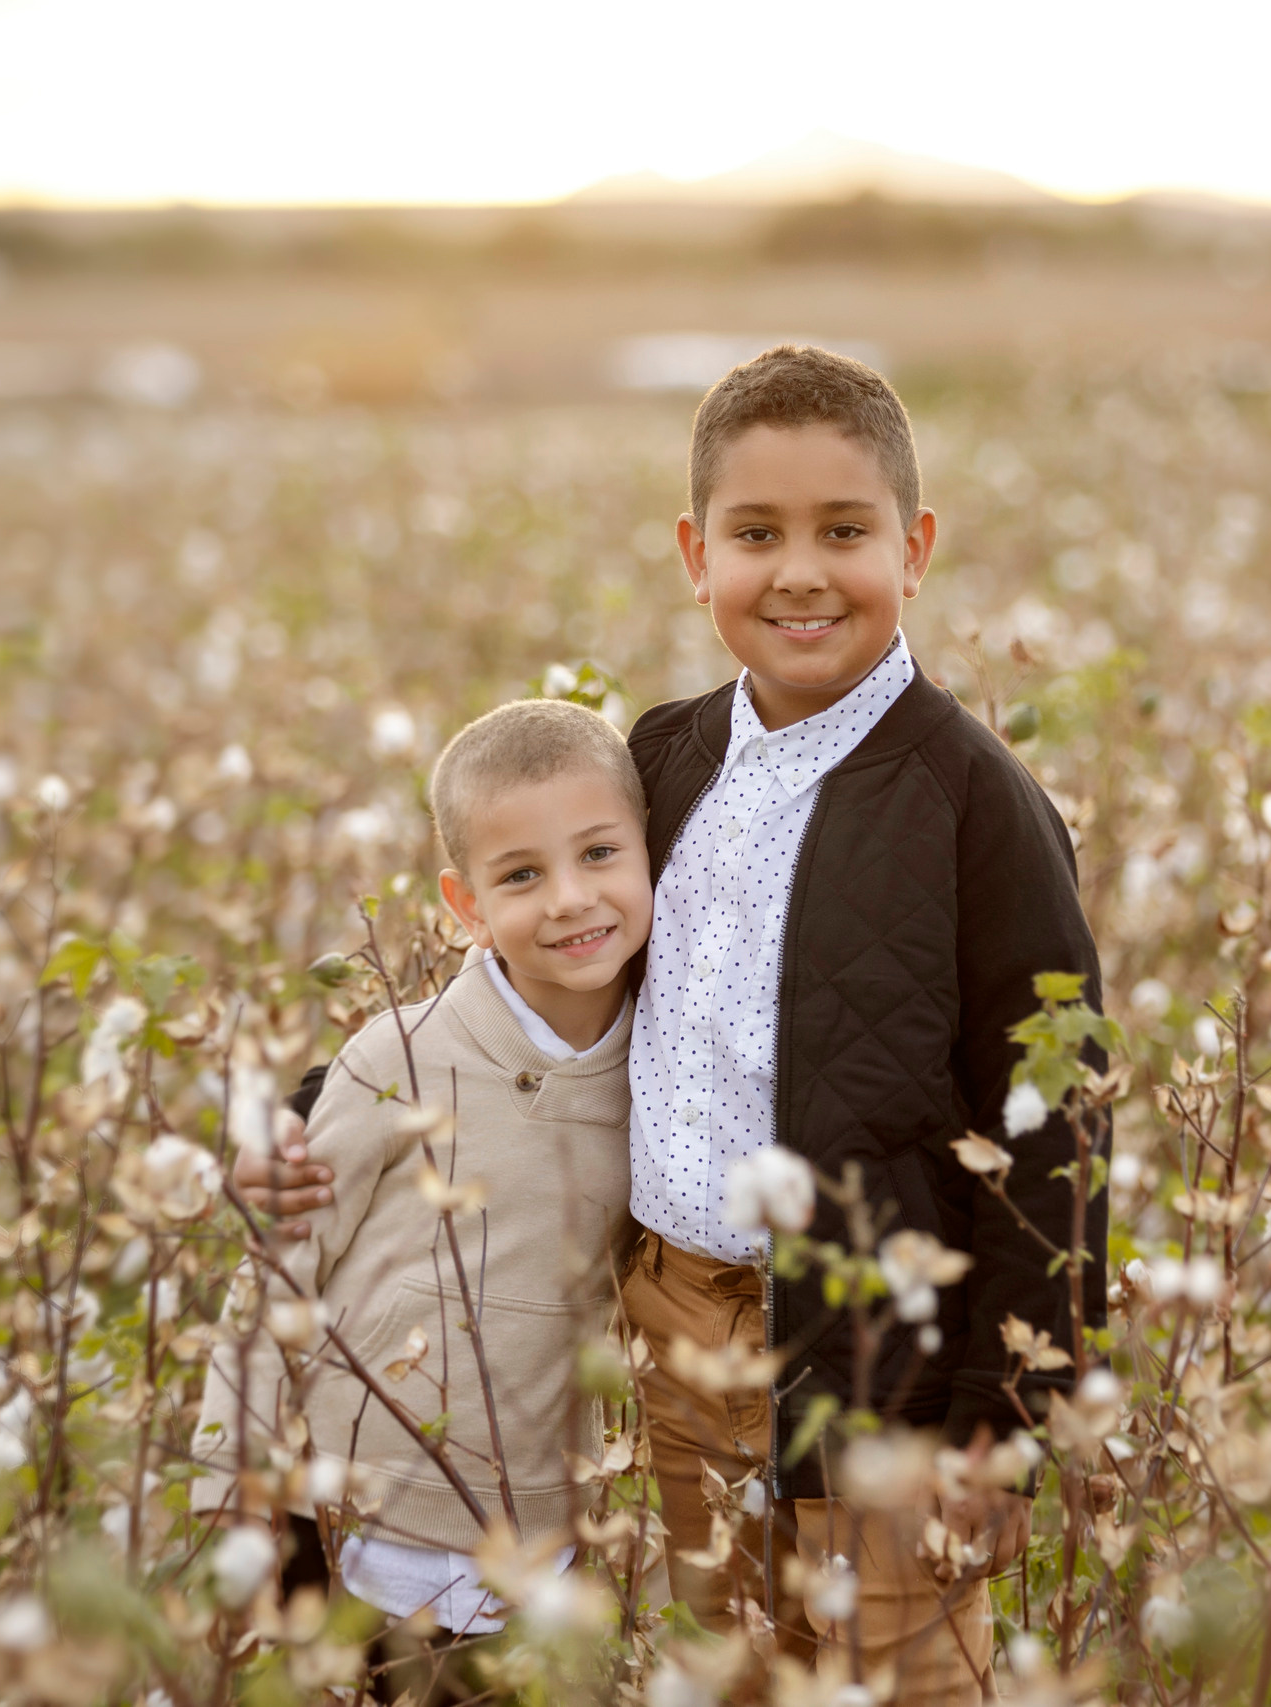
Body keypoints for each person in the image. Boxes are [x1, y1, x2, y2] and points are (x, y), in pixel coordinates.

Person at [241, 346, 1104, 1706]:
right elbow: (560, 975)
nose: (800, 571)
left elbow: (1054, 1122)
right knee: (735, 1665)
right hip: (678, 1323)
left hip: (887, 1354)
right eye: (757, 535)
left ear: (917, 547)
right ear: (697, 556)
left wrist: (1000, 1422)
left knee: (903, 1676)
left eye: (845, 531)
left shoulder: (978, 803)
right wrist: (316, 1104)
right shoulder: (667, 756)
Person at [192, 698, 650, 1649]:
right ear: (467, 905)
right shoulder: (393, 1060)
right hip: (349, 1526)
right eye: (522, 874)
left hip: (539, 1551)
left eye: (600, 854)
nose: (569, 897)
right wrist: (232, 1473)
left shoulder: (668, 1073)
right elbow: (279, 1267)